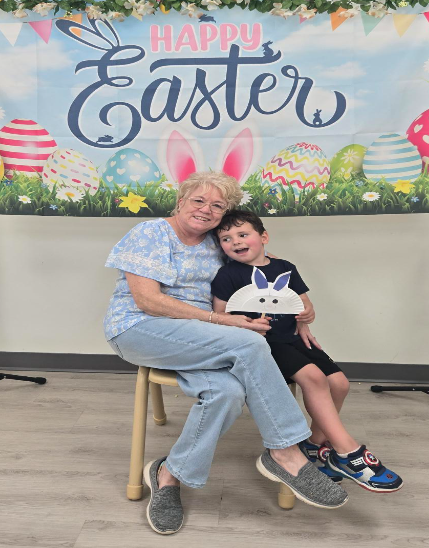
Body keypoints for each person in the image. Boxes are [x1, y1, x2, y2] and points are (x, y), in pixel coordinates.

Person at [104, 172, 348, 536]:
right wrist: (222, 320)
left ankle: (168, 474)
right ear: (181, 201)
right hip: (140, 328)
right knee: (250, 343)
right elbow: (148, 301)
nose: (206, 210)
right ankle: (287, 453)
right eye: (198, 200)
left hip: (200, 337)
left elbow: (264, 258)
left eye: (217, 206)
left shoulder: (215, 241)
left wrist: (301, 301)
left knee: (228, 392)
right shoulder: (150, 233)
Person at [211, 209, 403, 493]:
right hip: (264, 346)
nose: (235, 241)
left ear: (263, 237)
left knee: (340, 383)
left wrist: (307, 315)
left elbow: (302, 302)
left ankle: (313, 445)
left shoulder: (284, 267)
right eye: (226, 239)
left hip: (294, 339)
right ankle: (347, 451)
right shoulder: (228, 274)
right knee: (314, 378)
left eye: (242, 234)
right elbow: (221, 315)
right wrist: (247, 325)